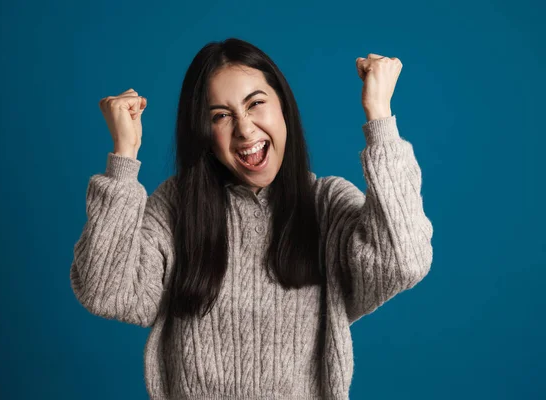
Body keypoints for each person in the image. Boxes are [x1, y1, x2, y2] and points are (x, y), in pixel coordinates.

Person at [70, 37, 433, 400]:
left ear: (283, 108)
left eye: (255, 104)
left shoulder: (326, 205)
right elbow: (105, 291)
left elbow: (404, 261)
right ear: (205, 133)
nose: (244, 130)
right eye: (221, 116)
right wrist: (124, 158)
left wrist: (380, 116)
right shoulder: (177, 207)